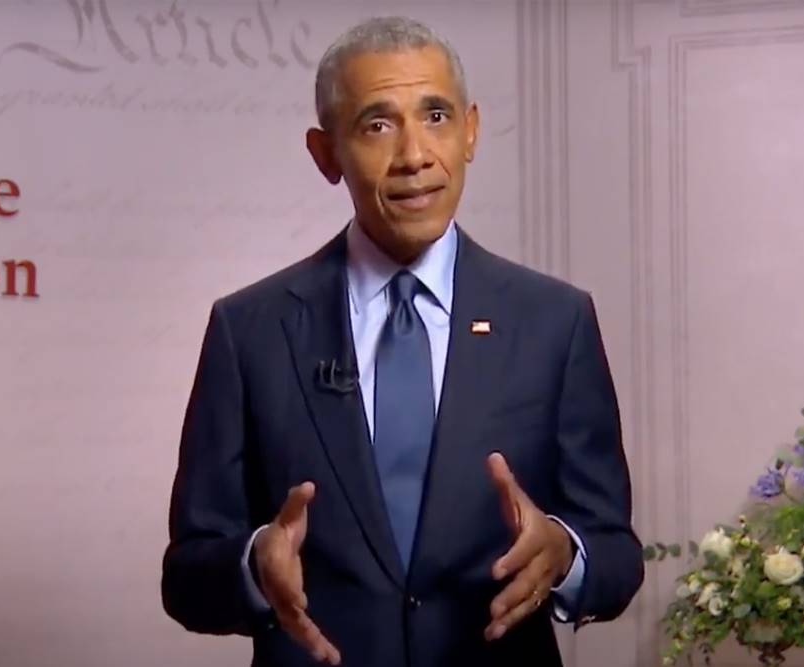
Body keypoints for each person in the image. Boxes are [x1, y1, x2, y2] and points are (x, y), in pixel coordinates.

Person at [161, 16, 642, 667]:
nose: (415, 154)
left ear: (471, 131)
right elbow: (187, 576)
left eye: (436, 116)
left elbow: (615, 554)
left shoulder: (556, 321)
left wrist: (563, 554)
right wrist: (254, 565)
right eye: (377, 125)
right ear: (326, 153)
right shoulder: (249, 330)